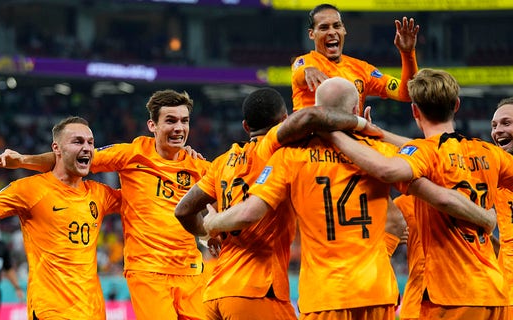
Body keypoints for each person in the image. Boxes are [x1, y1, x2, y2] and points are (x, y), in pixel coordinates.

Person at [201, 77, 497, 320]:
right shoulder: (379, 153)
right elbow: (438, 193)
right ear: (355, 108)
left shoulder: (289, 157)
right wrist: (484, 217)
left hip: (325, 294)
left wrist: (212, 223)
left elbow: (249, 212)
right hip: (377, 291)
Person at [0, 90, 211, 319]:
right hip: (148, 271)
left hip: (191, 270)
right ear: (152, 125)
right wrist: (24, 160)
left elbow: (223, 194)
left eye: (184, 121)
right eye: (171, 120)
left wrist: (211, 234)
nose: (179, 128)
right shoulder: (130, 154)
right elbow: (71, 159)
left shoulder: (198, 165)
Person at [174, 86, 384, 319]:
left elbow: (183, 210)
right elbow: (309, 117)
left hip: (215, 293)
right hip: (258, 291)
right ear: (284, 120)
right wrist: (361, 124)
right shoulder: (273, 149)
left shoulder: (222, 162)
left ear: (245, 126)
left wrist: (206, 236)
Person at [325, 68, 510, 319]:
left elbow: (387, 170)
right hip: (494, 291)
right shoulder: (489, 153)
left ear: (414, 111)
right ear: (456, 105)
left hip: (451, 293)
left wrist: (337, 134)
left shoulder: (422, 153)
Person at [0, 116, 122, 320]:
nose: (88, 148)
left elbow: (140, 200)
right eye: (78, 141)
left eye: (91, 142)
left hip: (93, 311)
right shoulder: (31, 190)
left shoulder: (99, 194)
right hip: (51, 310)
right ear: (57, 148)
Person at [291, 3, 419, 113]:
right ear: (312, 34)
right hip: (312, 139)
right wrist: (307, 71)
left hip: (351, 139)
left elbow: (407, 93)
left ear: (344, 29)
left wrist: (407, 54)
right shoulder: (305, 62)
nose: (332, 32)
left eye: (337, 26)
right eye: (324, 27)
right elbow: (299, 74)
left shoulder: (363, 69)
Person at [491, 97, 513, 306]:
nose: (497, 130)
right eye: (494, 125)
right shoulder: (496, 173)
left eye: (506, 123)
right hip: (505, 292)